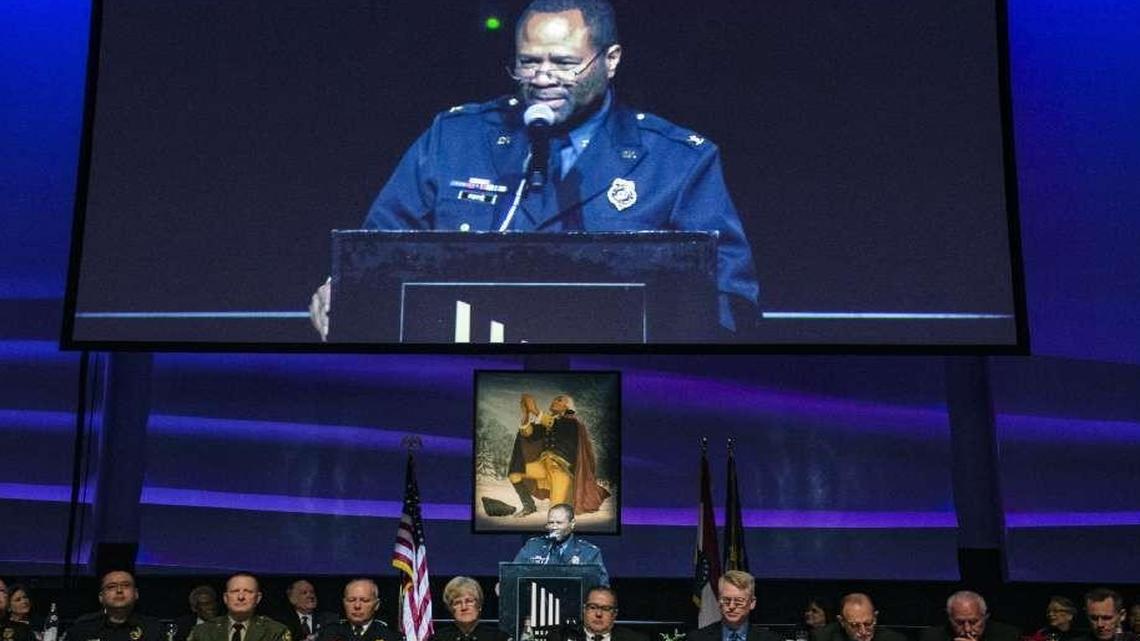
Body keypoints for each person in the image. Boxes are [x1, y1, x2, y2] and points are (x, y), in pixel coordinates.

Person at [309, 0, 760, 340]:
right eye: (529, 62)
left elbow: (730, 299)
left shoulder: (676, 161)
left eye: (564, 63)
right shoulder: (456, 138)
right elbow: (376, 253)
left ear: (611, 60)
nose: (543, 78)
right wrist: (345, 294)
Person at [509, 393, 608, 516]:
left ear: (567, 406)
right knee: (515, 474)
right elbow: (528, 435)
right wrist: (526, 414)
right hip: (544, 466)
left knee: (555, 511)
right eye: (554, 400)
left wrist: (534, 410)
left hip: (561, 471)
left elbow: (553, 424)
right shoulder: (551, 422)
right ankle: (529, 505)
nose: (554, 402)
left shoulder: (572, 422)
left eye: (559, 400)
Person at [513, 504, 609, 586]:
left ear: (572, 524)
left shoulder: (590, 553)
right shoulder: (533, 546)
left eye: (559, 523)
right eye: (551, 523)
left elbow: (602, 589)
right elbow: (512, 574)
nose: (554, 527)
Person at [63, 570, 164, 641]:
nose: (119, 590)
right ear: (101, 597)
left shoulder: (153, 629)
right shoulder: (82, 629)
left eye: (126, 585)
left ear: (136, 593)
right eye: (111, 587)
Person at [186, 573, 290, 641]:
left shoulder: (275, 631)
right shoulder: (202, 632)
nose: (241, 597)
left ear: (258, 598)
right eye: (235, 591)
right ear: (226, 598)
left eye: (248, 591)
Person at [686, 571, 780, 641]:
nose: (731, 606)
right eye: (726, 600)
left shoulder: (771, 639)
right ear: (719, 601)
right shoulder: (696, 638)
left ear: (752, 603)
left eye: (739, 601)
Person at [315, 579, 400, 641]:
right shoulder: (328, 634)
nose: (357, 606)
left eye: (365, 600)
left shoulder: (390, 637)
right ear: (344, 603)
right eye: (351, 600)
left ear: (376, 605)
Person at [918, 591, 1019, 641]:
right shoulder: (931, 637)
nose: (967, 629)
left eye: (974, 622)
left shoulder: (1007, 635)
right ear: (949, 618)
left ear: (985, 617)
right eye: (959, 622)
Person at [433, 577, 506, 641]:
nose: (464, 607)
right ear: (450, 608)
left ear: (479, 605)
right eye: (457, 603)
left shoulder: (499, 638)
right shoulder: (438, 639)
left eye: (469, 601)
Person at [814, 594, 906, 641]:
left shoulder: (893, 639)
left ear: (875, 617)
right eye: (854, 625)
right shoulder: (822, 637)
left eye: (868, 624)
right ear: (841, 621)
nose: (863, 631)